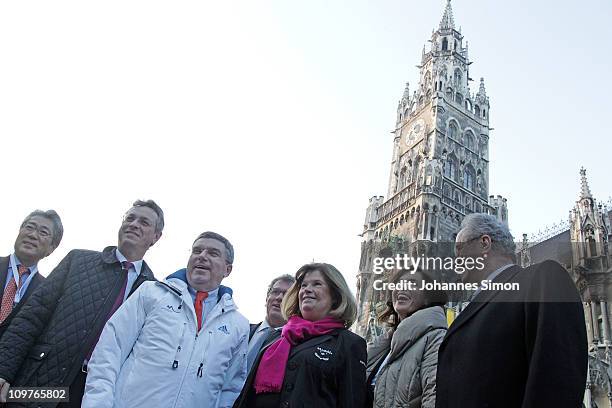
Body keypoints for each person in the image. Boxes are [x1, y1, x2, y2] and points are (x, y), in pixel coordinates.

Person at [0, 200, 163, 407]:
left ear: (156, 237)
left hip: (96, 393)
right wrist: (3, 370)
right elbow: (31, 317)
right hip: (43, 382)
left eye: (144, 222)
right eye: (130, 218)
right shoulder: (78, 261)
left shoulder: (155, 292)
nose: (134, 224)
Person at [435, 213, 588, 407]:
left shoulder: (541, 279)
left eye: (459, 248)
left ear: (484, 243)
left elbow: (557, 378)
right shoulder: (468, 310)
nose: (455, 259)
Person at [82, 231, 249, 408]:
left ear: (227, 269)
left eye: (213, 253)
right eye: (197, 251)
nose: (202, 256)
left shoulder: (238, 325)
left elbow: (230, 388)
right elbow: (109, 350)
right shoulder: (151, 293)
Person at [233, 262, 367, 408]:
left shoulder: (348, 343)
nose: (307, 290)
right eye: (304, 285)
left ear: (335, 295)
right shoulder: (277, 337)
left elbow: (352, 401)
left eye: (316, 284)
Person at [366, 269, 448, 408]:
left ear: (428, 297)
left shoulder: (435, 338)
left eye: (412, 283)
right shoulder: (384, 345)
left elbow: (434, 394)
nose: (402, 288)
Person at [0, 210, 63, 339]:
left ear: (52, 247)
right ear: (20, 231)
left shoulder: (48, 292)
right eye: (29, 227)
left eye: (43, 232)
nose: (33, 235)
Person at [247, 274, 295, 372]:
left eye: (287, 295)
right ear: (267, 298)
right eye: (275, 292)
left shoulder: (295, 344)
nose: (279, 297)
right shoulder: (243, 331)